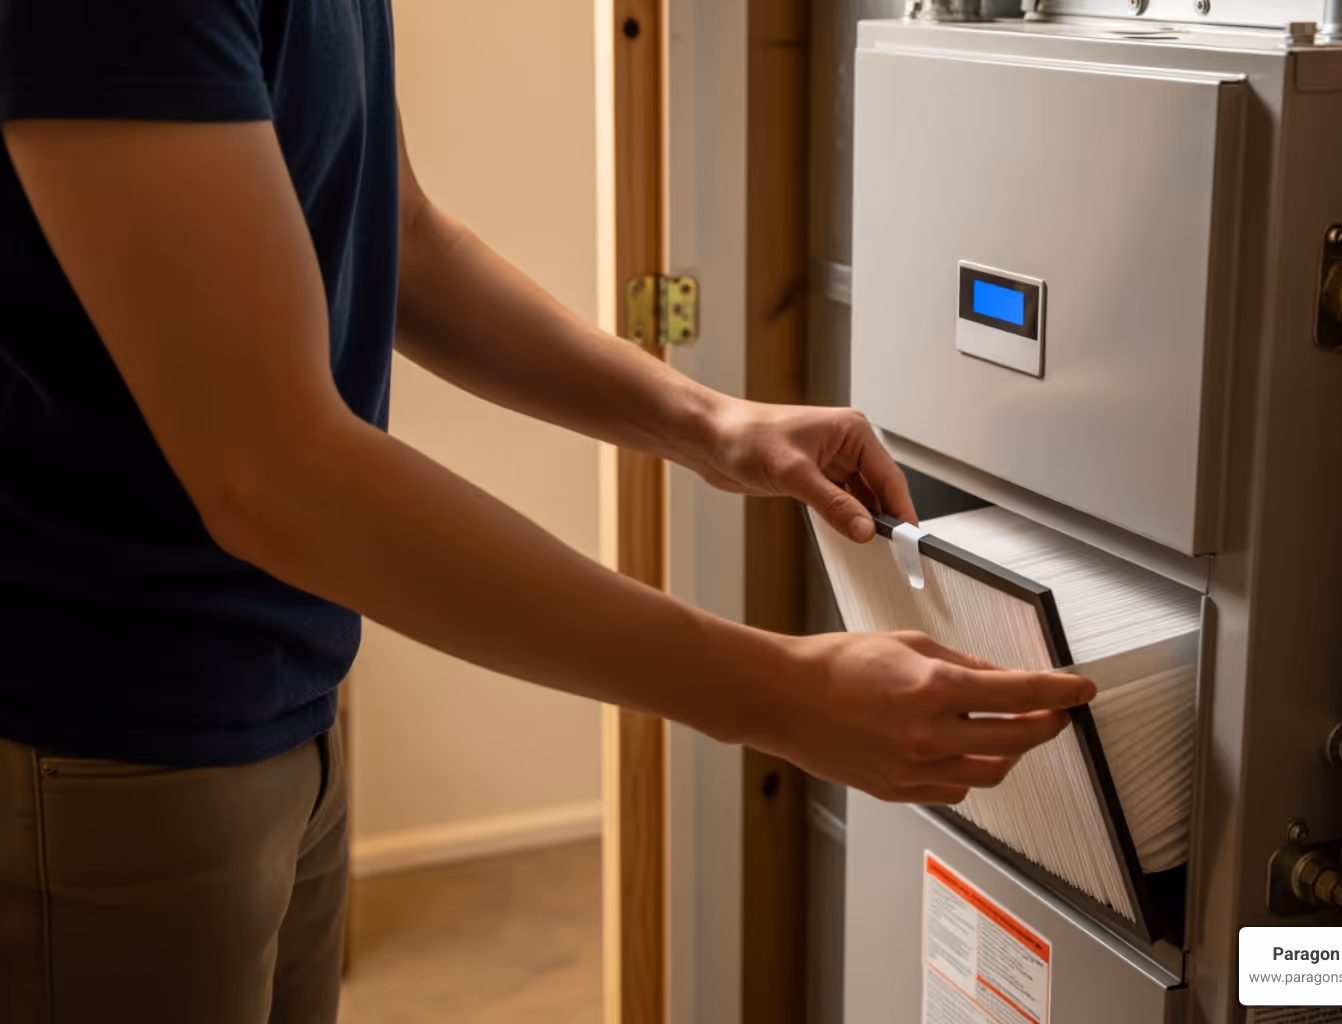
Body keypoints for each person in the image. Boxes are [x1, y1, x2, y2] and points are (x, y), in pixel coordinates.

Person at [0, 2, 1095, 1021]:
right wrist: (779, 694)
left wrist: (709, 422)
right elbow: (272, 472)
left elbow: (406, 237)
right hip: (106, 738)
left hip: (292, 691)